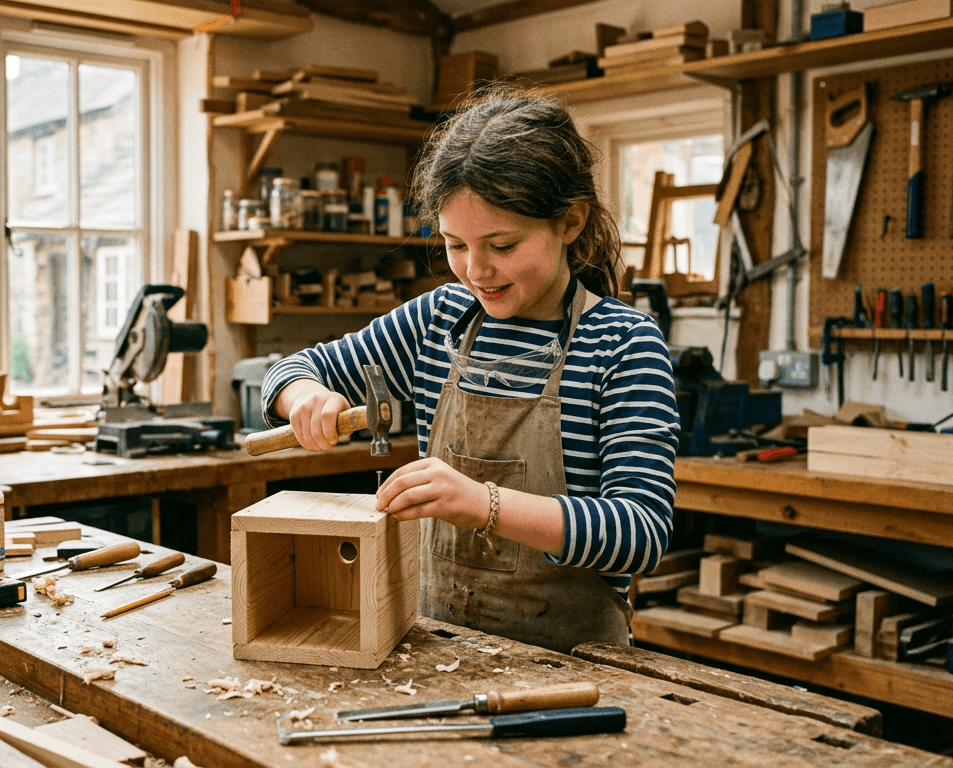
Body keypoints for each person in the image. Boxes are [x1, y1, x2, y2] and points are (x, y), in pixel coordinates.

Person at [259, 88, 680, 653]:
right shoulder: (441, 320)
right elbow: (293, 367)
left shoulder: (622, 344)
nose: (475, 271)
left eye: (501, 245)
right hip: (436, 645)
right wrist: (304, 395)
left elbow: (640, 534)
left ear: (571, 222)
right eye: (456, 244)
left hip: (577, 670)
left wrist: (484, 505)